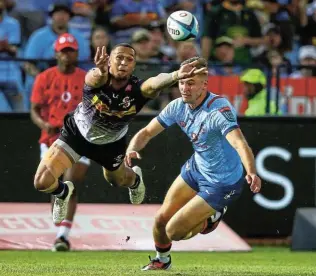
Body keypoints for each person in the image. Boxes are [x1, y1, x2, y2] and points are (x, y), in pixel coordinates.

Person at [33, 43, 205, 233]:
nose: (123, 62)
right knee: (42, 181)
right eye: (119, 58)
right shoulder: (95, 75)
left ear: (133, 65)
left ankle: (135, 180)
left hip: (110, 144)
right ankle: (63, 192)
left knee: (116, 180)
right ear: (109, 61)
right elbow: (96, 78)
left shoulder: (139, 89)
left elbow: (155, 82)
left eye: (129, 59)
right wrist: (100, 69)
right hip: (76, 135)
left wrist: (175, 75)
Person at [124, 56, 262, 270]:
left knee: (174, 232)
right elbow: (146, 132)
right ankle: (162, 260)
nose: (184, 88)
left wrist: (252, 171)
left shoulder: (218, 110)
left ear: (204, 85)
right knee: (160, 220)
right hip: (196, 168)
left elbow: (240, 144)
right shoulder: (177, 106)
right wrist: (132, 148)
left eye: (190, 83)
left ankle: (213, 217)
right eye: (181, 82)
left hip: (222, 183)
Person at [30, 33, 89, 252]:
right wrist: (43, 124)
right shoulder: (44, 78)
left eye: (70, 51)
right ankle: (60, 215)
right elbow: (34, 109)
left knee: (71, 183)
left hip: (80, 140)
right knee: (49, 184)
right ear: (56, 53)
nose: (67, 55)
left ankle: (62, 237)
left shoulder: (86, 78)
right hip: (51, 139)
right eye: (63, 51)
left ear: (77, 53)